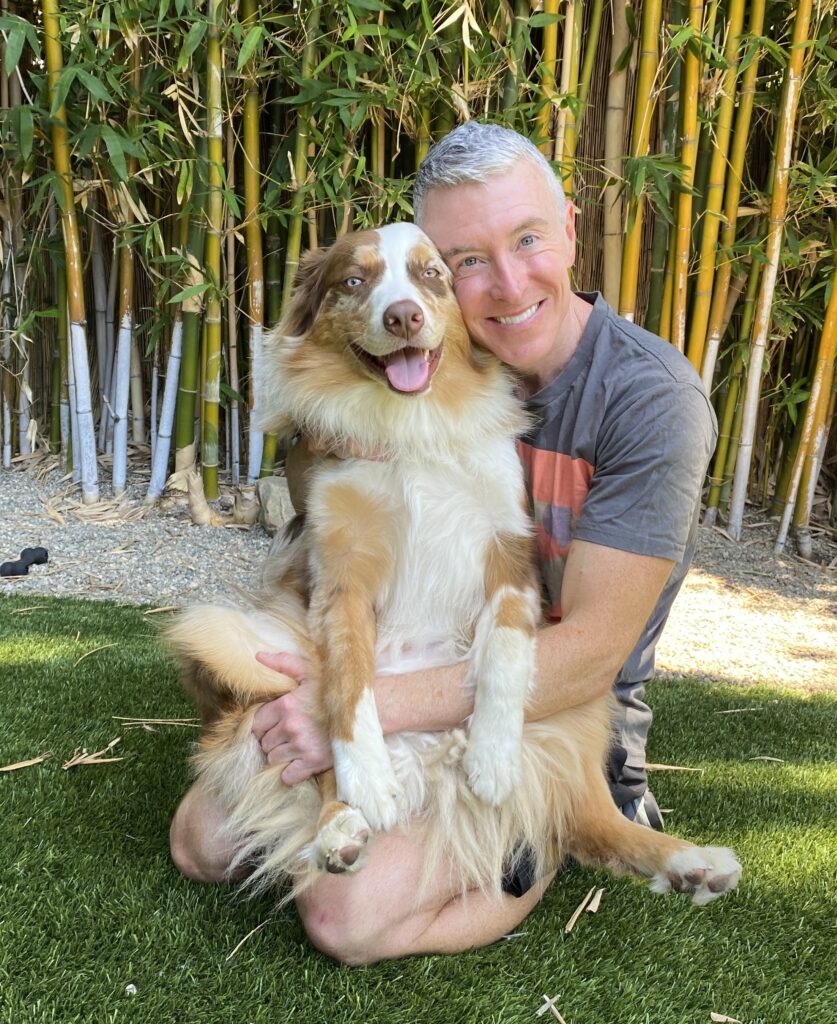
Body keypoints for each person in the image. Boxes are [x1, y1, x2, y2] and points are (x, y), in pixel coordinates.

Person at [169, 121, 717, 964]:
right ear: (443, 273)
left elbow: (591, 654)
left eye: (528, 239)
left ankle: (548, 844)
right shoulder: (406, 363)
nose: (504, 280)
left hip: (538, 707)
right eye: (467, 259)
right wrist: (321, 435)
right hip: (390, 655)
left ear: (571, 228)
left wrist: (351, 714)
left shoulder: (650, 401)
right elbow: (327, 504)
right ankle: (371, 823)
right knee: (199, 845)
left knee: (344, 924)